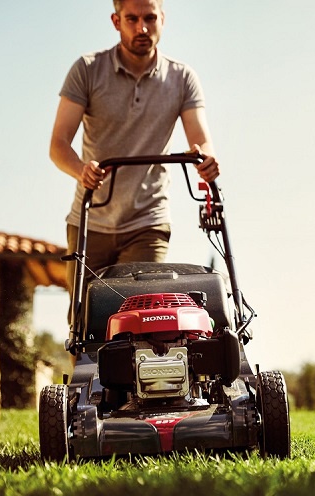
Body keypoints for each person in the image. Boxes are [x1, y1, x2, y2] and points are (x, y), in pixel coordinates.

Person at [49, 0, 219, 301]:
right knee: (86, 317)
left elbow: (201, 141)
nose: (142, 28)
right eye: (132, 19)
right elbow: (58, 145)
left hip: (148, 221)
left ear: (162, 18)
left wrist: (205, 158)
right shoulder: (87, 70)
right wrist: (81, 170)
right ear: (116, 21)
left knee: (137, 309)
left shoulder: (182, 78)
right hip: (90, 220)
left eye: (150, 18)